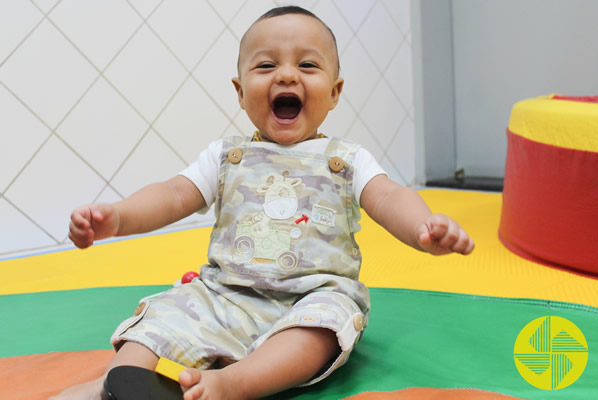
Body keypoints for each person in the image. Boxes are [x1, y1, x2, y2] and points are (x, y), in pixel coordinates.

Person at [54, 6, 474, 400]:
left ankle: (233, 383)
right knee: (165, 314)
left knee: (322, 329)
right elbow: (174, 193)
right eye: (266, 65)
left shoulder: (346, 160)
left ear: (334, 91)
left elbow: (388, 196)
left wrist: (423, 228)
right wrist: (119, 217)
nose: (286, 75)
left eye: (307, 65)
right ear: (240, 92)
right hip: (224, 295)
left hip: (310, 297)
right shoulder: (225, 157)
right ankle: (119, 383)